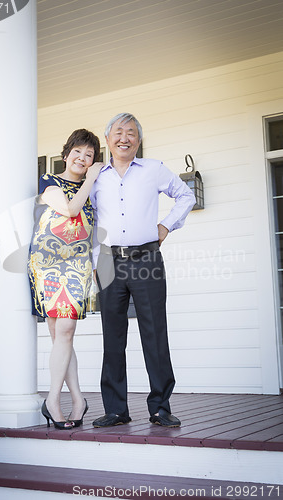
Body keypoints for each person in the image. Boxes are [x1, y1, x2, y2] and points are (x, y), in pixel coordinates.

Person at [90, 113, 196, 428]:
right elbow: (92, 220)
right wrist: (96, 260)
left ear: (138, 139)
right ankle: (115, 409)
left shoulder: (154, 169)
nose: (125, 138)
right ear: (107, 139)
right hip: (109, 262)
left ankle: (161, 407)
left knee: (154, 333)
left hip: (147, 259)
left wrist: (165, 225)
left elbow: (185, 195)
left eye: (132, 133)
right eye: (119, 132)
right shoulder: (96, 177)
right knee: (112, 336)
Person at [28, 129, 103, 429]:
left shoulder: (92, 190)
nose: (82, 159)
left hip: (78, 264)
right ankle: (69, 400)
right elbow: (70, 210)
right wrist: (91, 180)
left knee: (66, 332)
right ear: (66, 153)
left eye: (89, 156)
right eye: (78, 152)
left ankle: (57, 400)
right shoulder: (50, 181)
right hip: (47, 263)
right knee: (62, 336)